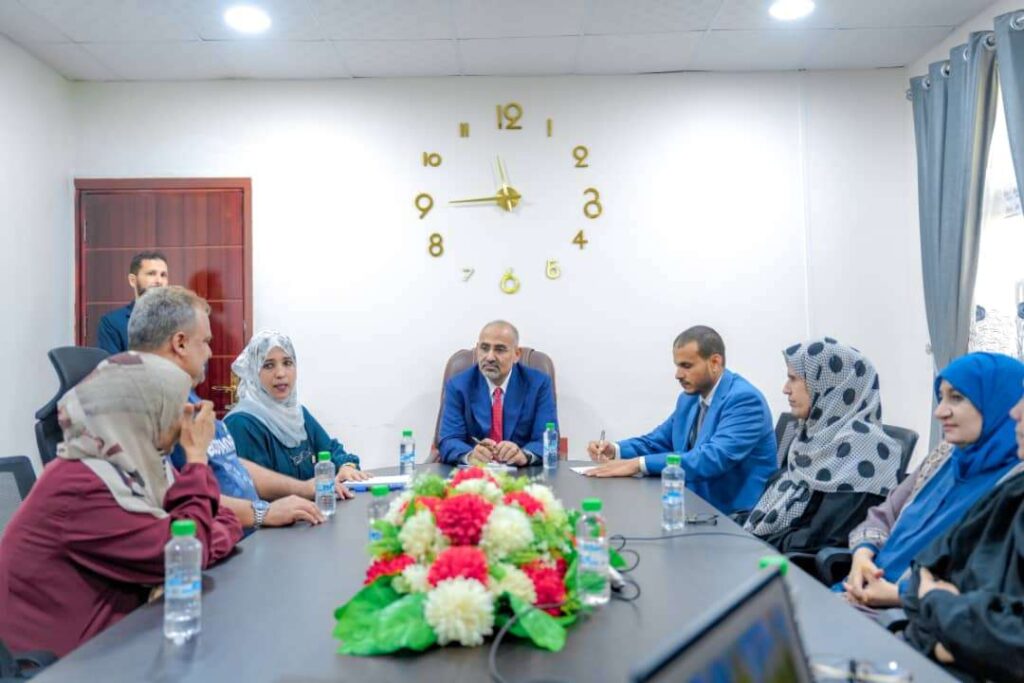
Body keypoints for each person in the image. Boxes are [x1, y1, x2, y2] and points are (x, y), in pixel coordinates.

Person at [0, 352, 242, 657]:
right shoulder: (80, 485)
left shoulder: (140, 465)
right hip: (60, 665)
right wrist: (196, 459)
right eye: (174, 405)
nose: (188, 417)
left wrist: (192, 545)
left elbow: (220, 522)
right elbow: (187, 548)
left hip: (120, 636)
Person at [128, 287, 358, 531]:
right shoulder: (152, 411)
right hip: (235, 540)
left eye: (288, 363)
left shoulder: (187, 398)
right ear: (180, 344)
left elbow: (232, 464)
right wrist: (264, 512)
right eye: (205, 342)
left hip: (251, 533)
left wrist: (304, 488)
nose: (210, 352)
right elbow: (181, 499)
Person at [841, 353, 1024, 610]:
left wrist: (898, 594)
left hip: (912, 616)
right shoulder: (945, 456)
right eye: (941, 397)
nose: (940, 411)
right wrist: (862, 555)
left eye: (956, 398)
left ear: (999, 402)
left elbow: (985, 584)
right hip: (858, 591)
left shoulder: (1013, 484)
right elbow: (885, 514)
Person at [898, 373, 1024, 681]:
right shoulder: (1014, 489)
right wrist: (951, 636)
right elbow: (923, 573)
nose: (1015, 412)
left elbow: (1014, 648)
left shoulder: (1005, 479)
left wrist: (939, 606)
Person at [584, 326, 776, 514]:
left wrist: (637, 464)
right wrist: (615, 449)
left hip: (733, 516)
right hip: (692, 504)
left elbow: (710, 459)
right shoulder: (689, 399)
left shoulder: (744, 400)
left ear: (715, 362)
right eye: (677, 366)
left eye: (686, 366)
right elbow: (658, 442)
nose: (678, 375)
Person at [742, 338, 900, 554]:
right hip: (770, 548)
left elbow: (822, 539)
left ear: (830, 384)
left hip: (794, 565)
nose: (785, 389)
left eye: (793, 379)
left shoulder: (863, 448)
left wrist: (756, 542)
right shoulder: (813, 435)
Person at [224, 331, 366, 480]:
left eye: (287, 363)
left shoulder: (297, 414)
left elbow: (330, 450)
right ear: (253, 372)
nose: (280, 373)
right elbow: (256, 486)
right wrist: (307, 489)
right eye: (268, 365)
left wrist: (346, 466)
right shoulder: (241, 424)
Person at [436, 320, 558, 467]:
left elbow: (547, 438)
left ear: (516, 354)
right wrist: (470, 455)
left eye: (500, 350)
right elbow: (449, 439)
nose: (490, 357)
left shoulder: (538, 383)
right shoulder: (458, 385)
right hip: (474, 473)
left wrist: (524, 455)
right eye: (484, 348)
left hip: (523, 473)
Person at [97, 250, 168, 354]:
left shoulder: (180, 320)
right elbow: (111, 363)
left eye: (163, 275)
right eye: (151, 274)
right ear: (132, 280)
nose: (159, 281)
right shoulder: (112, 323)